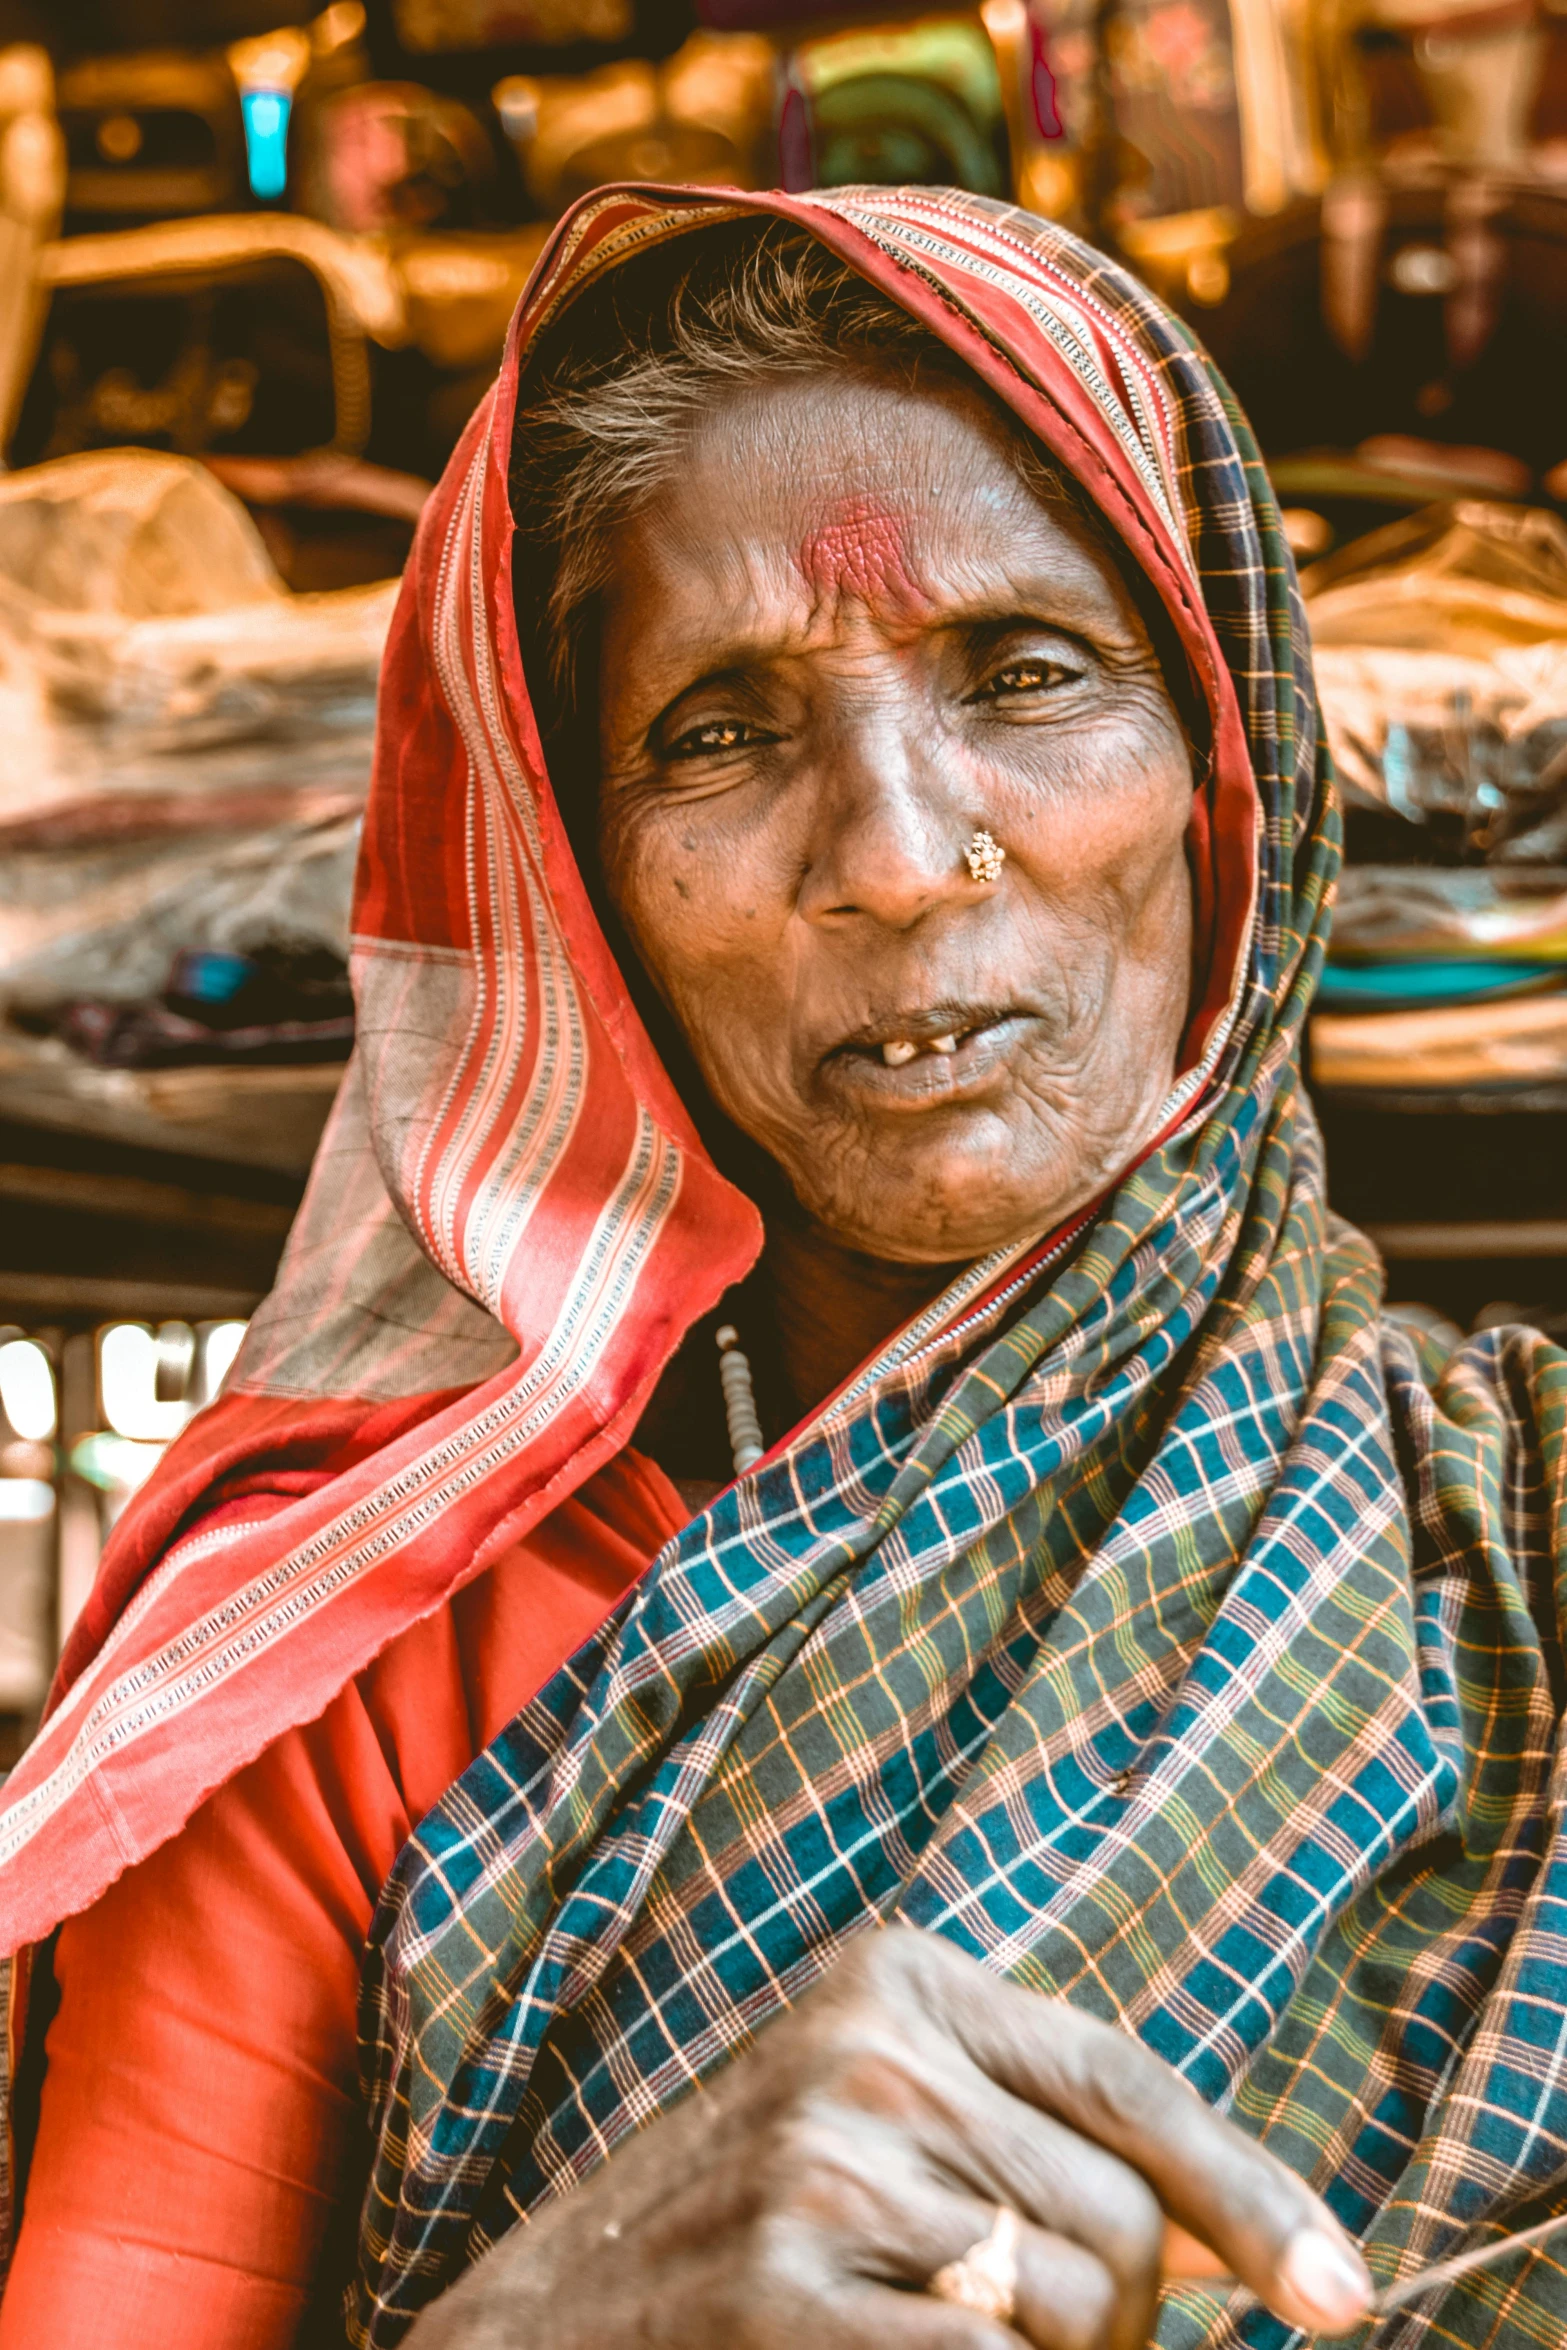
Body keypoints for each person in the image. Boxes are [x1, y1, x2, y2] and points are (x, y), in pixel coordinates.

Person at [1, 182, 1564, 2350]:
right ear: (578, 869)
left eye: (1027, 672)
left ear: (1228, 772)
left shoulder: (1526, 1564)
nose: (903, 858)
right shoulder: (346, 1682)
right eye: (721, 731)